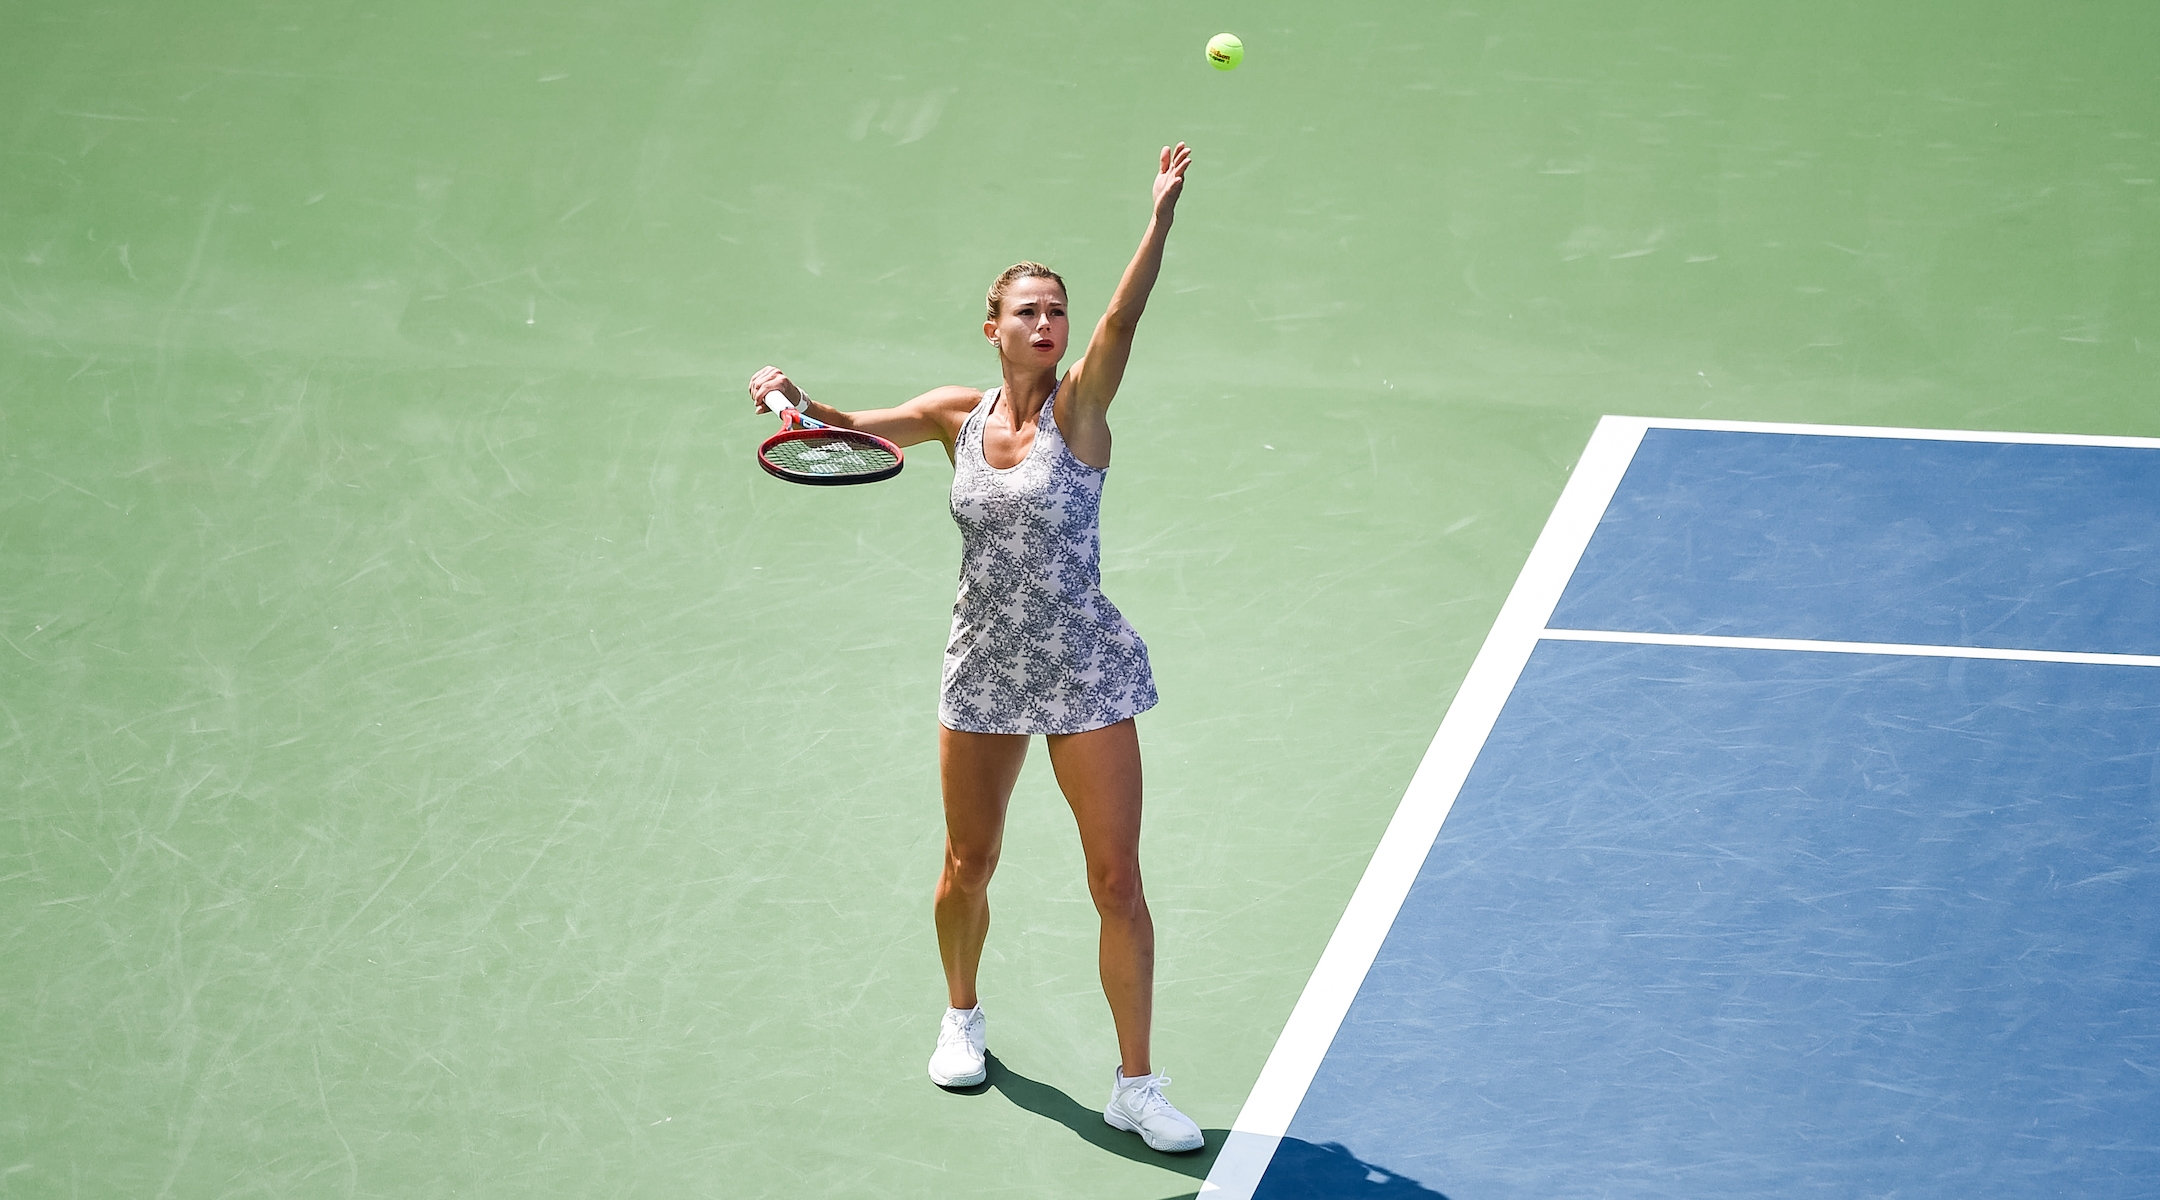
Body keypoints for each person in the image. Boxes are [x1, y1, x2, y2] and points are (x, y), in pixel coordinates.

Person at [745, 143, 1201, 1153]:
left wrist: (1158, 219)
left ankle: (1137, 1083)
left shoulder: (1081, 408)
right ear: (993, 329)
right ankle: (962, 1016)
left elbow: (1125, 321)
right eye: (1028, 311)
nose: (1048, 324)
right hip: (985, 667)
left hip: (1084, 668)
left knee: (1116, 880)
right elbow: (850, 426)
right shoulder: (956, 416)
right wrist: (787, 399)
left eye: (1057, 311)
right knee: (968, 861)